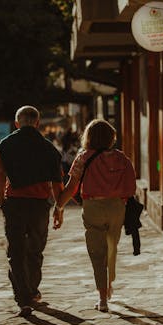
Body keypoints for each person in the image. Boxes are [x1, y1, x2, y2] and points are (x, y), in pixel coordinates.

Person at [53, 119, 136, 312]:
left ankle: (102, 297)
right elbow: (131, 186)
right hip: (116, 207)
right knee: (111, 247)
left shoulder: (83, 158)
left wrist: (59, 206)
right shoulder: (121, 158)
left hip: (93, 207)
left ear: (88, 137)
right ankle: (108, 285)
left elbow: (72, 186)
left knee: (97, 252)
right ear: (111, 137)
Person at [0, 105, 64, 317]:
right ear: (37, 123)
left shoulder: (5, 145)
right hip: (39, 206)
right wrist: (59, 209)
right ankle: (32, 290)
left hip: (14, 203)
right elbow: (57, 184)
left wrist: (1, 203)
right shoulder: (49, 148)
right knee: (35, 249)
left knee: (16, 251)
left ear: (17, 123)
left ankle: (22, 297)